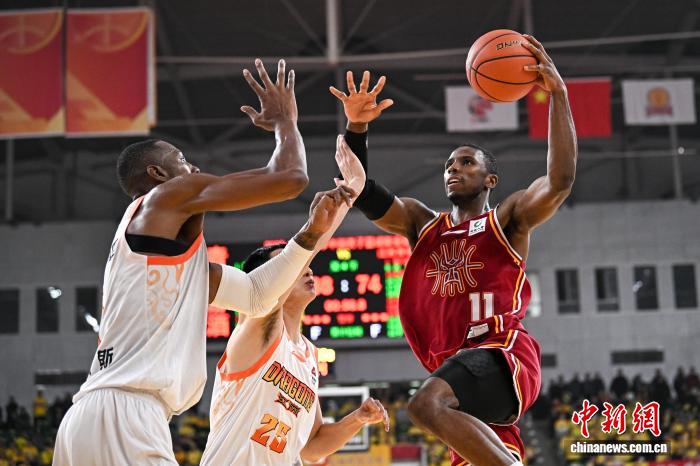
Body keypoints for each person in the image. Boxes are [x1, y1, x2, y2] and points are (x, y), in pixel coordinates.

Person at [53, 59, 354, 465]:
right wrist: (285, 121)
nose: (193, 167)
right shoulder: (166, 197)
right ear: (158, 173)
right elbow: (289, 178)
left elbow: (257, 295)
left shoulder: (158, 256)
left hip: (92, 415)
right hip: (126, 414)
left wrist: (312, 233)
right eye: (181, 159)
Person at [329, 34, 576, 466]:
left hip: (501, 354)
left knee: (424, 406)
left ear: (490, 180)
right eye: (448, 164)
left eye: (466, 162)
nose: (453, 169)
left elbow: (560, 181)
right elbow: (361, 190)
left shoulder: (506, 220)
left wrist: (558, 95)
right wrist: (357, 126)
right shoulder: (421, 223)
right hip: (461, 379)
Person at [200, 135, 389, 465]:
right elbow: (300, 255)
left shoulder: (309, 355)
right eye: (286, 265)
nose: (305, 268)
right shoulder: (256, 326)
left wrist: (357, 418)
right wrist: (348, 197)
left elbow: (311, 447)